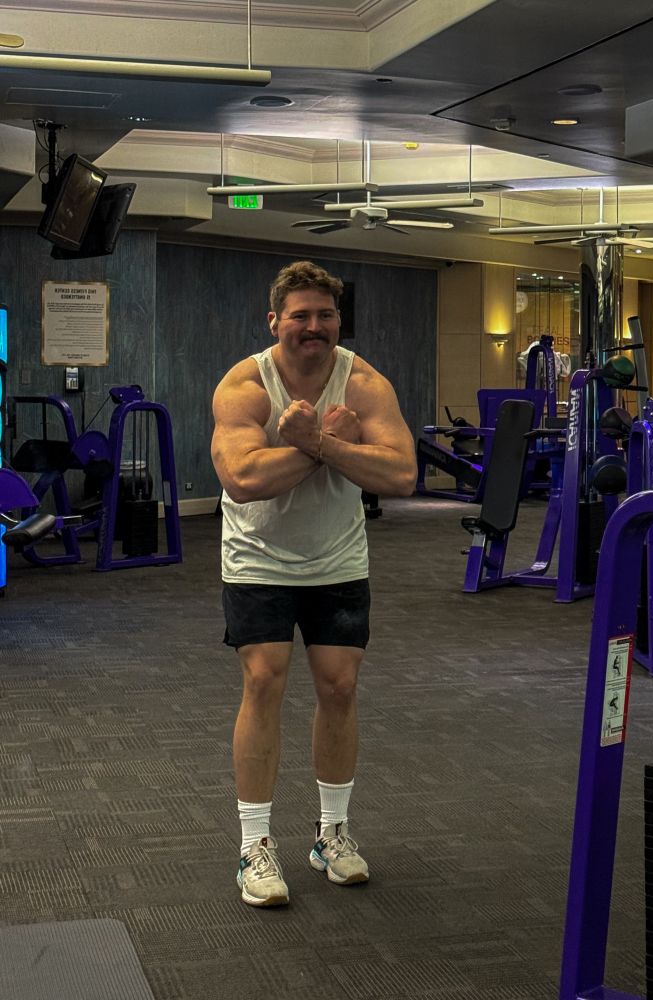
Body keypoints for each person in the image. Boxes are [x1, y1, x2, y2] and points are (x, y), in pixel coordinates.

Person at [211, 260, 417, 907]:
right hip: (259, 556)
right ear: (275, 321)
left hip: (336, 558)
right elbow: (242, 478)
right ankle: (254, 847)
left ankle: (332, 834)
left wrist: (317, 446)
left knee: (340, 685)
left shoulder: (366, 383)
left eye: (325, 315)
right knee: (264, 680)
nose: (313, 326)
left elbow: (403, 474)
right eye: (300, 315)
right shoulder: (245, 385)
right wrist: (323, 444)